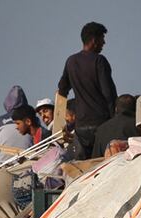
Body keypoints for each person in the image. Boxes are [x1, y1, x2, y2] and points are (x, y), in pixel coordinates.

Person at [57, 21, 117, 160]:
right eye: (102, 39)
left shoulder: (71, 61)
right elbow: (109, 95)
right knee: (103, 165)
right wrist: (114, 119)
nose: (104, 43)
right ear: (94, 40)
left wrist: (60, 123)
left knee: (85, 167)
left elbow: (62, 90)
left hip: (81, 125)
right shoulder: (99, 61)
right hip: (101, 123)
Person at [92, 93, 141, 158]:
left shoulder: (101, 129)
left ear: (116, 109)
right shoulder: (140, 125)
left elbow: (96, 158)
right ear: (136, 108)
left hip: (111, 166)